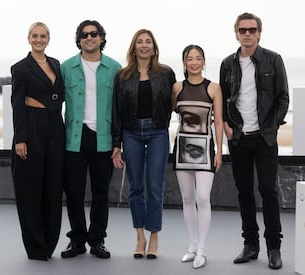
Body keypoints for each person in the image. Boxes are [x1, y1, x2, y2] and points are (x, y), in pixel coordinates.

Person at [220, 12, 289, 270]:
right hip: (238, 138)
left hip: (264, 138)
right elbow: (226, 99)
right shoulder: (228, 64)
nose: (247, 34)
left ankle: (274, 248)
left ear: (259, 33)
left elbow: (283, 97)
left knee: (269, 191)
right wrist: (227, 126)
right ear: (236, 33)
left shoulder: (273, 59)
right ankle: (250, 245)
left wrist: (271, 126)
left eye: (251, 30)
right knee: (244, 192)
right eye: (242, 30)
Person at [112, 29, 176, 260]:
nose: (144, 45)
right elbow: (117, 111)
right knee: (135, 187)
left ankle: (155, 236)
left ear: (154, 47)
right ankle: (140, 237)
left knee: (155, 187)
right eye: (140, 42)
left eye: (148, 41)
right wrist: (116, 144)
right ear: (134, 47)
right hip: (131, 132)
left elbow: (176, 101)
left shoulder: (165, 73)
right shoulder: (123, 75)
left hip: (158, 131)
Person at [60, 19, 121, 259]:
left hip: (103, 138)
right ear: (79, 40)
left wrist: (119, 143)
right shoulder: (66, 68)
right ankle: (77, 240)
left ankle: (97, 240)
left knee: (100, 192)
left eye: (94, 34)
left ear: (102, 38)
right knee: (73, 192)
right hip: (74, 137)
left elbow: (120, 110)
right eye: (84, 35)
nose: (89, 37)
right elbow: (55, 102)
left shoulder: (115, 68)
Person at [10, 22, 65, 261]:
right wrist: (20, 138)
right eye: (35, 36)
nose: (39, 39)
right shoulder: (20, 68)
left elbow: (60, 95)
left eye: (43, 36)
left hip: (55, 127)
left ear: (48, 39)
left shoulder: (56, 64)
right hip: (31, 127)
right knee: (30, 187)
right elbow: (17, 104)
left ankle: (50, 242)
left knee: (53, 185)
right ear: (28, 39)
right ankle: (35, 246)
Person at [171, 45, 223, 269]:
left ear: (203, 61)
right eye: (189, 59)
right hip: (182, 147)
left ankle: (202, 248)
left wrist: (220, 150)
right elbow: (173, 114)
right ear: (184, 62)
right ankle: (192, 246)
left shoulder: (213, 88)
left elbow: (219, 121)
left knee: (203, 197)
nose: (193, 62)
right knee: (187, 198)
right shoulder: (177, 87)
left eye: (198, 58)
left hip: (205, 148)